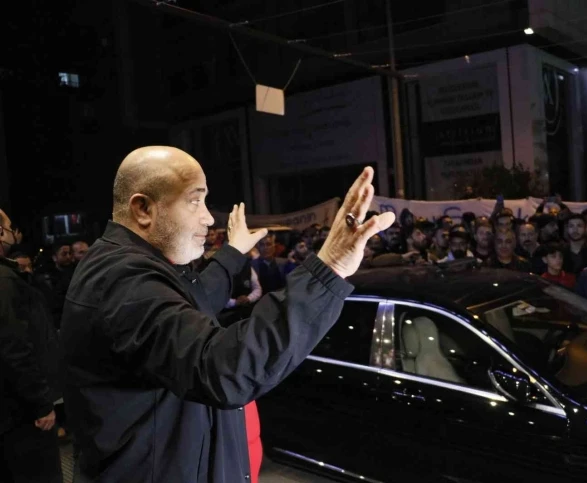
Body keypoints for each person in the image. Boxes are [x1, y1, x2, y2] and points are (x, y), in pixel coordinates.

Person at [60, 146, 394, 483]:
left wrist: (234, 252)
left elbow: (198, 296)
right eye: (195, 201)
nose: (208, 218)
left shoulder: (135, 268)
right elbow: (223, 368)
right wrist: (329, 268)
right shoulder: (124, 281)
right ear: (143, 209)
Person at [0, 209, 63, 482]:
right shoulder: (4, 281)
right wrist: (40, 404)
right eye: (9, 227)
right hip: (21, 414)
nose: (15, 232)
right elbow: (14, 348)